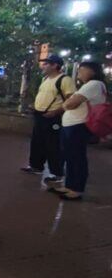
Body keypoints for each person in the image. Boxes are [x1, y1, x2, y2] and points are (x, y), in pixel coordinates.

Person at [50, 62, 107, 200]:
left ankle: (77, 189)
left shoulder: (93, 84)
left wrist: (67, 103)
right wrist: (68, 102)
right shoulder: (92, 85)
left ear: (92, 71)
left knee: (76, 158)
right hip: (72, 126)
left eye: (82, 70)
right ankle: (69, 186)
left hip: (78, 126)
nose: (79, 73)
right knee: (70, 157)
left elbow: (70, 104)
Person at [21, 54, 76, 182]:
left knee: (53, 145)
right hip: (40, 115)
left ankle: (56, 173)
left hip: (53, 117)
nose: (43, 66)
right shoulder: (46, 79)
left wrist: (57, 111)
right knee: (37, 142)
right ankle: (36, 166)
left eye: (46, 64)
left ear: (55, 65)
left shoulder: (64, 80)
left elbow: (71, 99)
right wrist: (35, 106)